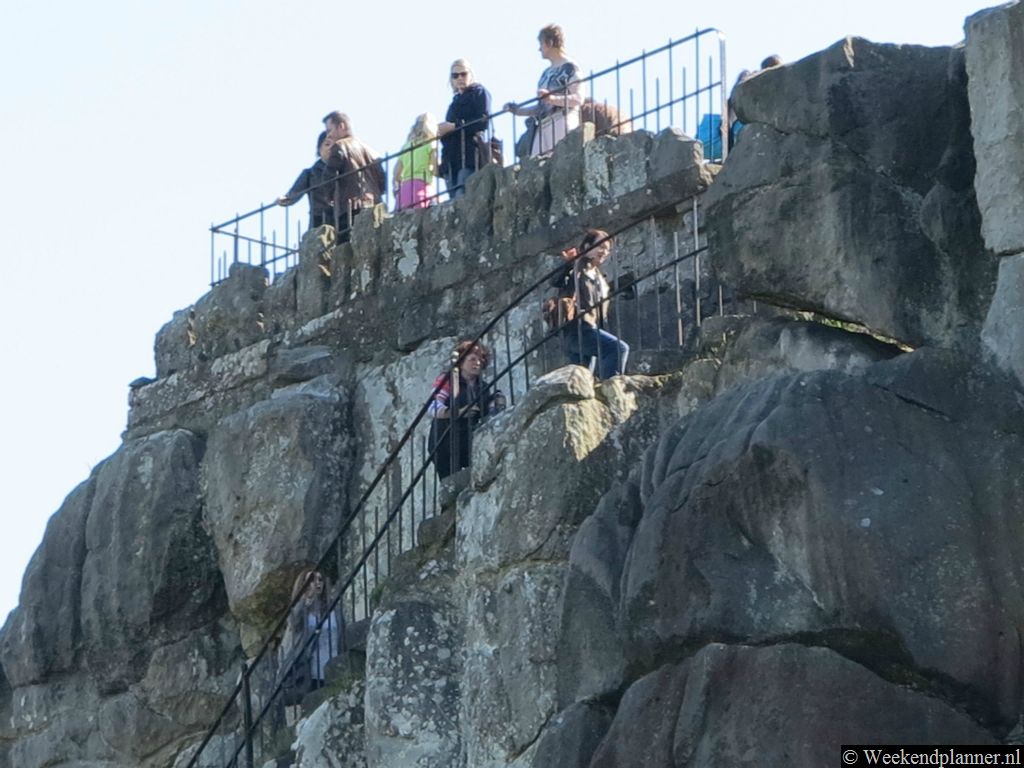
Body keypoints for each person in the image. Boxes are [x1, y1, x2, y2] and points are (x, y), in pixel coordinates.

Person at [552, 229, 629, 379]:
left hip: (589, 328)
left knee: (583, 379)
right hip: (578, 329)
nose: (604, 252)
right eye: (601, 247)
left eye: (607, 249)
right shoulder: (577, 268)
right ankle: (612, 388)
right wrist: (568, 264)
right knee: (618, 349)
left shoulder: (598, 276)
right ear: (587, 246)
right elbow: (556, 281)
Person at [427, 340, 505, 479]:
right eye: (472, 359)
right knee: (450, 481)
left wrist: (495, 403)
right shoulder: (448, 381)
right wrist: (456, 412)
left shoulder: (483, 387)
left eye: (481, 359)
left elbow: (488, 411)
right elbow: (433, 406)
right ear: (461, 362)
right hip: (445, 441)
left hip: (469, 442)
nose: (478, 363)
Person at [504, 24, 583, 157]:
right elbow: (541, 107)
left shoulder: (570, 67)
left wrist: (553, 99)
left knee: (562, 160)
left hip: (562, 121)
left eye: (541, 43)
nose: (539, 48)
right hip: (543, 126)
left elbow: (578, 99)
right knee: (537, 165)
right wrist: (518, 110)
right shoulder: (545, 74)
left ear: (550, 43)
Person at [279, 568, 343, 705]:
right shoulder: (302, 611)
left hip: (333, 664)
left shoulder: (333, 610)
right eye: (312, 580)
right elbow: (294, 623)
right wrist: (305, 601)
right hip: (311, 670)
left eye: (320, 579)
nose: (317, 583)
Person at [322, 111, 386, 241]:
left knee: (346, 247)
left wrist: (328, 195)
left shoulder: (340, 146)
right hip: (374, 205)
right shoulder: (370, 150)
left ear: (341, 126)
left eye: (329, 130)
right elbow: (382, 180)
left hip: (350, 206)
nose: (328, 135)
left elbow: (330, 175)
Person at [438, 59, 491, 198]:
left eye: (463, 74)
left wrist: (454, 126)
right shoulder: (454, 102)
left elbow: (482, 121)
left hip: (469, 154)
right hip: (452, 158)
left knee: (463, 195)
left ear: (470, 74)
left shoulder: (479, 92)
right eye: (455, 76)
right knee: (454, 199)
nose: (460, 78)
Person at [277, 131, 334, 229]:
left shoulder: (347, 170)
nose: (331, 148)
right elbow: (293, 194)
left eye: (336, 145)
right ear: (319, 149)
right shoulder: (310, 173)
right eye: (327, 144)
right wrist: (284, 199)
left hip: (343, 217)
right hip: (319, 219)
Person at [394, 114, 438, 211]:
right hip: (422, 190)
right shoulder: (430, 145)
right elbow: (435, 170)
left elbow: (396, 174)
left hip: (404, 192)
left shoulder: (406, 147)